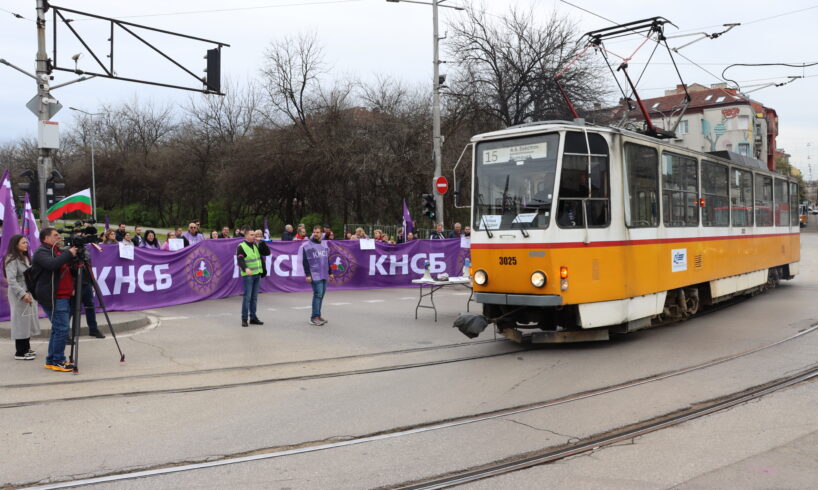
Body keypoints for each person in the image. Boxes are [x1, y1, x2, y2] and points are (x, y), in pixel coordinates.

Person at [30, 227, 78, 372]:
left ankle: (51, 360)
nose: (59, 237)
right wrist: (69, 253)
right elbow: (52, 265)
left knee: (57, 329)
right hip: (54, 297)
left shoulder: (57, 251)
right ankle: (58, 360)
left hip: (63, 295)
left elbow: (66, 269)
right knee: (62, 329)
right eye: (55, 235)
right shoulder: (41, 252)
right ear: (46, 238)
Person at [5, 235, 40, 360]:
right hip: (18, 294)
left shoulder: (25, 257)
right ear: (16, 244)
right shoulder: (11, 259)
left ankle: (26, 348)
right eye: (23, 242)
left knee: (27, 321)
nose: (26, 244)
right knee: (20, 321)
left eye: (27, 242)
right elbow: (11, 280)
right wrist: (22, 294)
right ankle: (20, 352)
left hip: (28, 291)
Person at [300, 224, 334, 326]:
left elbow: (326, 259)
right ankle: (314, 317)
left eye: (318, 232)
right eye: (314, 232)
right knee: (317, 295)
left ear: (321, 234)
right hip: (315, 275)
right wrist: (307, 275)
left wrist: (330, 273)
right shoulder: (307, 246)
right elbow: (305, 261)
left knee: (321, 296)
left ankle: (318, 315)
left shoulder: (324, 245)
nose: (315, 234)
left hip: (323, 273)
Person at [236, 226, 264, 327]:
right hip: (248, 275)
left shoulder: (256, 245)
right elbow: (240, 259)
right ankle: (244, 319)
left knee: (254, 297)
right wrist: (245, 268)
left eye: (254, 235)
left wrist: (262, 242)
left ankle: (253, 318)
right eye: (252, 235)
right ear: (246, 236)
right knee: (247, 297)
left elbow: (266, 253)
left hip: (257, 274)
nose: (254, 237)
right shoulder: (241, 246)